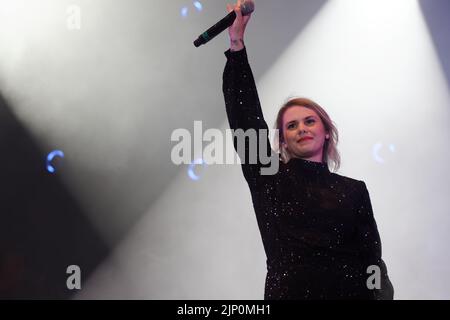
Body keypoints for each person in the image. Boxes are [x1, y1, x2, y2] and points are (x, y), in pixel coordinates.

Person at [221, 0, 394, 299]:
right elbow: (246, 120)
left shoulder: (354, 191)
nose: (301, 128)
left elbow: (372, 262)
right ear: (283, 140)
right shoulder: (270, 177)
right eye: (291, 126)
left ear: (327, 131)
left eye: (310, 121)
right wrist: (237, 46)